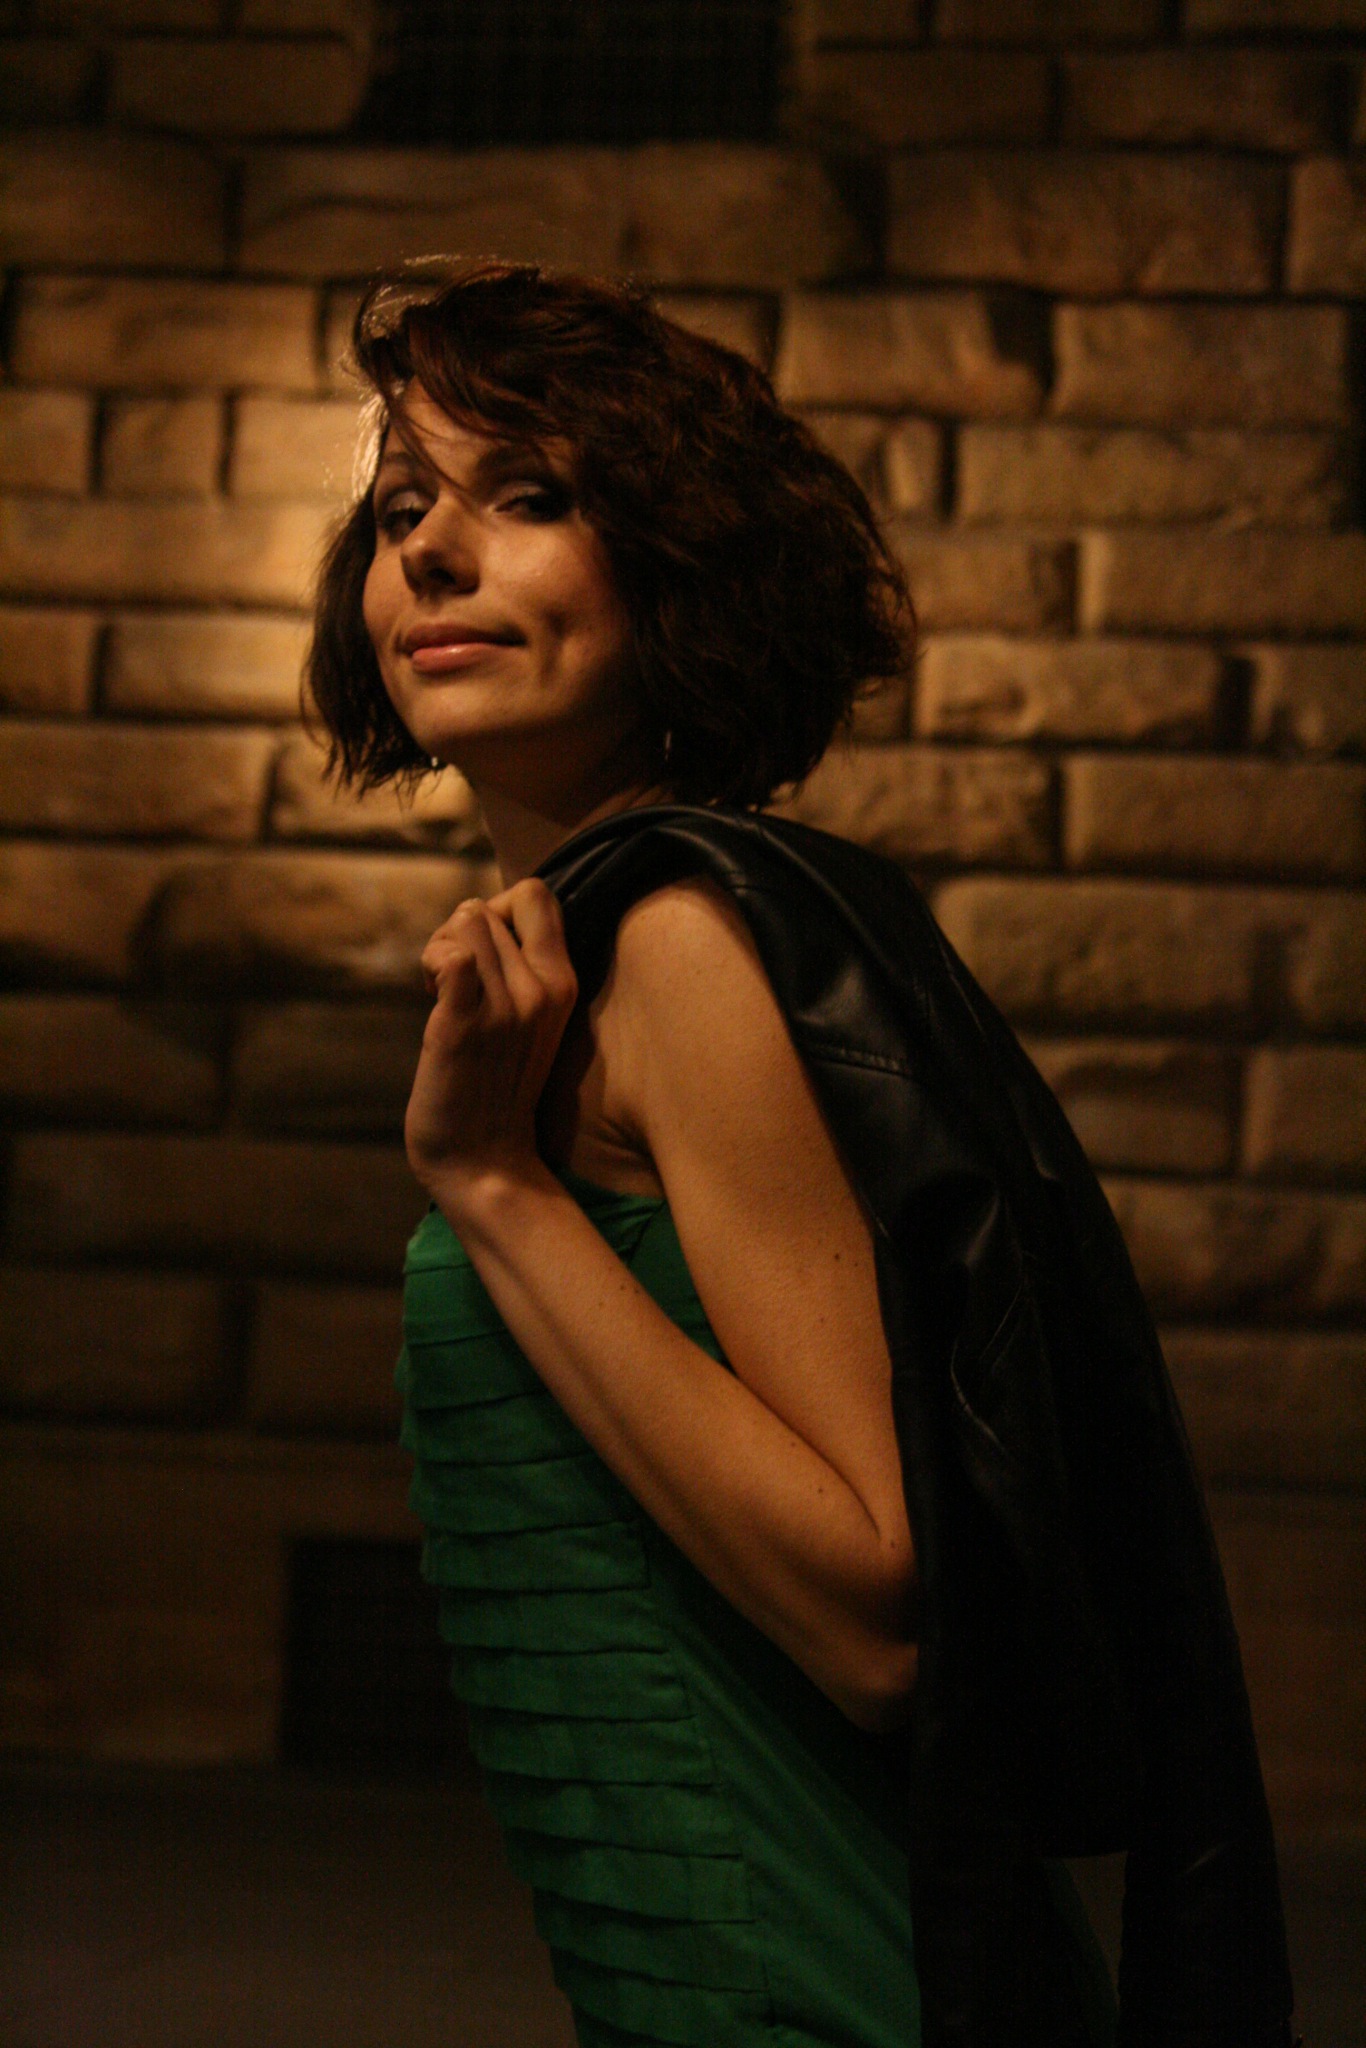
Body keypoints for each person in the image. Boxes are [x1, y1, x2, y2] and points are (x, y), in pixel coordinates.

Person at [307, 261, 1293, 2048]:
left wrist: (495, 1187)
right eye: (399, 510)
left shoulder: (681, 944)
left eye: (527, 498)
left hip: (803, 1975)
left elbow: (875, 1612)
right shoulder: (602, 941)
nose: (432, 554)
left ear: (678, 568)